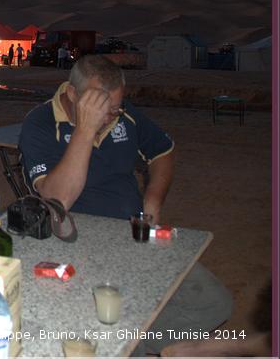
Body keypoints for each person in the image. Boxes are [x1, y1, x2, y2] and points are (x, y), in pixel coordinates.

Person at [19, 55, 232, 354]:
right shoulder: (40, 123)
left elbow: (163, 151)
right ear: (73, 95)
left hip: (134, 234)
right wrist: (85, 129)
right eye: (100, 108)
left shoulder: (125, 115)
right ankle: (124, 342)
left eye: (115, 108)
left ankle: (130, 339)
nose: (109, 116)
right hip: (76, 244)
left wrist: (154, 198)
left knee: (213, 302)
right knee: (116, 316)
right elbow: (58, 200)